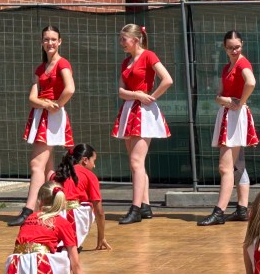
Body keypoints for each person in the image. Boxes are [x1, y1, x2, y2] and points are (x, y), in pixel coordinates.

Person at [9, 25, 75, 226]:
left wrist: (56, 105)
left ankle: (30, 210)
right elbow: (32, 98)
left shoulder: (63, 63)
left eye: (53, 39)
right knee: (47, 167)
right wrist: (44, 104)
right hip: (41, 115)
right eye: (46, 39)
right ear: (41, 42)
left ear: (60, 41)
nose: (50, 43)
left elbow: (70, 89)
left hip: (51, 117)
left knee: (36, 165)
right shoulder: (40, 68)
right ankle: (54, 208)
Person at [111, 24, 173, 225]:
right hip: (130, 110)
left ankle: (136, 208)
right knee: (135, 162)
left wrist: (151, 97)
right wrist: (136, 95)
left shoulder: (148, 56)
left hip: (143, 112)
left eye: (124, 39)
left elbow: (167, 80)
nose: (121, 42)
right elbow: (121, 91)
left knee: (136, 161)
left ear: (136, 40)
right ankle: (145, 205)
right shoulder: (126, 62)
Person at [199, 30, 259, 226]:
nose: (235, 51)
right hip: (229, 115)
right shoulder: (227, 67)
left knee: (225, 167)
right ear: (225, 48)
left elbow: (251, 82)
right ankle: (242, 208)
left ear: (242, 45)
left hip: (235, 116)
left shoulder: (242, 63)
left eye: (237, 47)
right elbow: (218, 94)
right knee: (238, 165)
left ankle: (219, 211)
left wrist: (241, 102)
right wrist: (224, 99)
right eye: (231, 48)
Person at [3, 182, 90, 274]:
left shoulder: (29, 218)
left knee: (32, 253)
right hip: (40, 264)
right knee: (68, 251)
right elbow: (75, 262)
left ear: (40, 201)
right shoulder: (61, 222)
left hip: (15, 266)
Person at [54, 143, 111, 251]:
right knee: (90, 206)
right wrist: (101, 237)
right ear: (85, 160)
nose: (94, 165)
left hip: (53, 216)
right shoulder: (89, 175)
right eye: (93, 160)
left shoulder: (57, 173)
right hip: (74, 216)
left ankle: (63, 242)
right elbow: (99, 212)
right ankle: (72, 241)